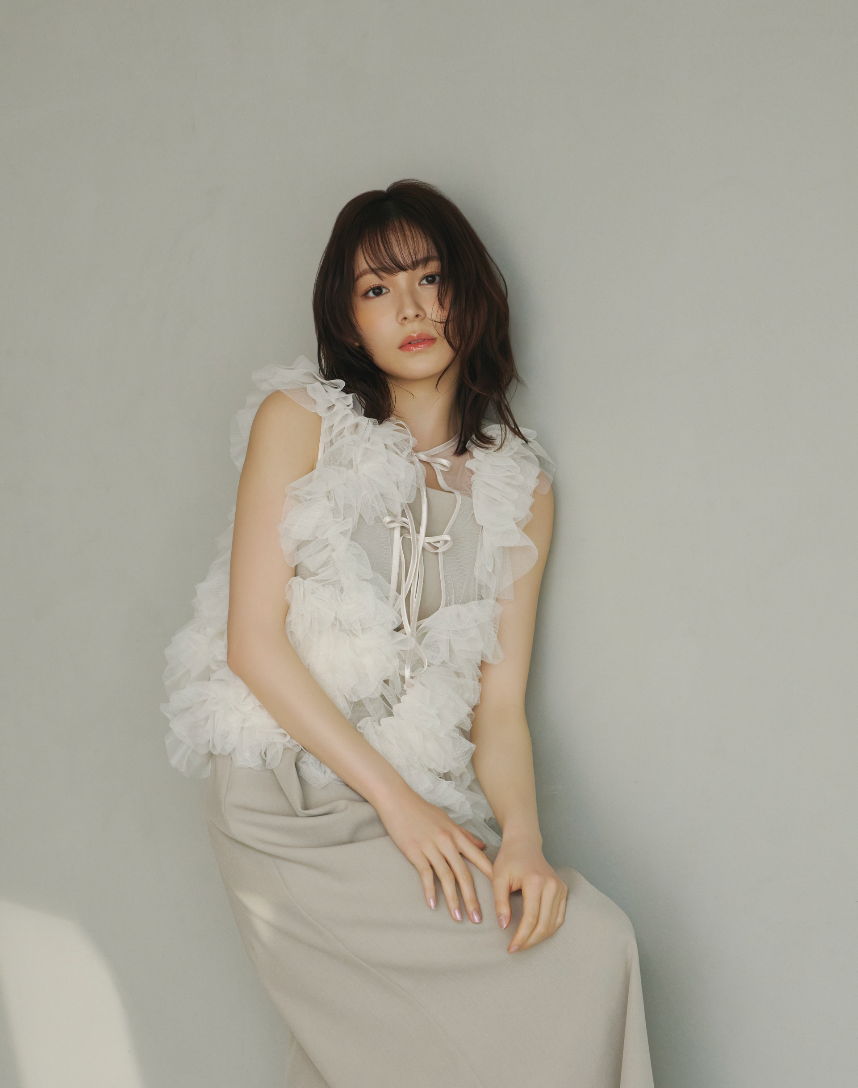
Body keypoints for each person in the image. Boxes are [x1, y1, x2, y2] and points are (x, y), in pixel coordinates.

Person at [161, 179, 655, 1088]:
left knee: (579, 948)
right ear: (349, 320)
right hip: (288, 797)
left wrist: (522, 839)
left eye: (430, 277)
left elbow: (499, 708)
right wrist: (397, 805)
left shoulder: (522, 492)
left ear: (469, 291)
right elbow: (252, 643)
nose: (413, 308)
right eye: (377, 288)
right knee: (454, 1019)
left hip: (422, 806)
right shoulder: (298, 423)